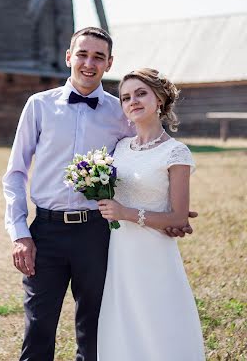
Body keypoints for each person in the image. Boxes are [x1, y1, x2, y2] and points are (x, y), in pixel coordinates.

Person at [3, 28, 196, 361]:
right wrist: (20, 234)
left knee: (94, 331)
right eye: (82, 54)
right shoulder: (38, 106)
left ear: (109, 63)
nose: (88, 63)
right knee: (38, 329)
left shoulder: (120, 113)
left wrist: (170, 213)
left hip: (98, 234)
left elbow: (142, 163)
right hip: (45, 231)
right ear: (69, 57)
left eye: (98, 57)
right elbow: (16, 173)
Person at [97, 68, 205, 361]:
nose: (133, 101)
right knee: (125, 324)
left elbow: (179, 218)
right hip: (120, 253)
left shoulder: (176, 153)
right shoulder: (119, 148)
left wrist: (125, 213)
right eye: (126, 97)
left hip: (155, 253)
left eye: (141, 93)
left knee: (159, 323)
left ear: (159, 99)